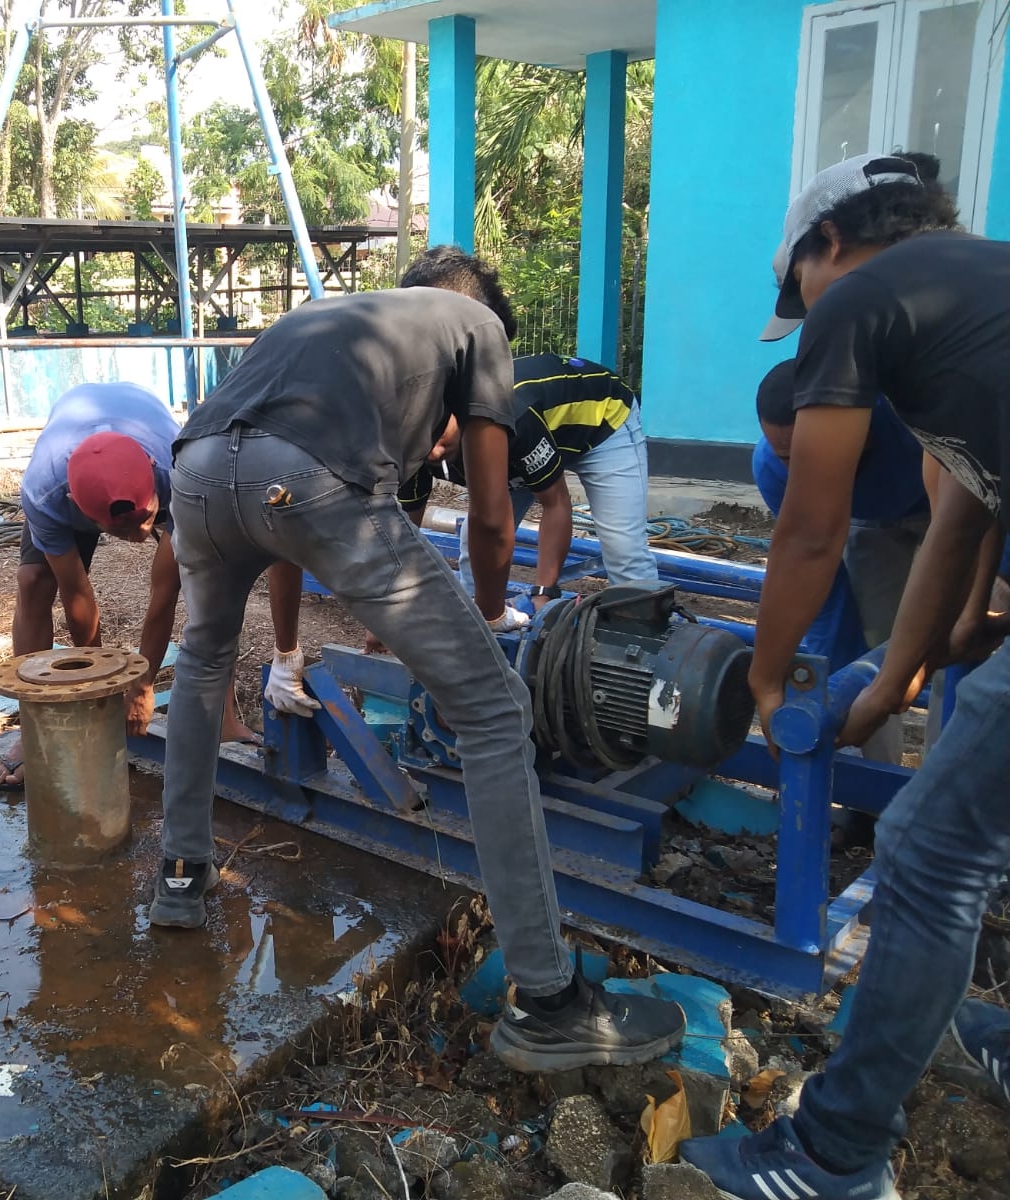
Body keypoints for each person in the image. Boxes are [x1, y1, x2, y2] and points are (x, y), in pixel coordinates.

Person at [150, 245, 687, 1073]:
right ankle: (549, 1004)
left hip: (194, 467)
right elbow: (493, 517)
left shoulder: (336, 320)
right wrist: (488, 622)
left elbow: (276, 495)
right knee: (497, 711)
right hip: (304, 477)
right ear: (484, 313)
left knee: (203, 658)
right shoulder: (479, 327)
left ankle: (181, 877)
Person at [680, 151, 1010, 1200]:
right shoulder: (982, 288)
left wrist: (768, 683)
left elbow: (812, 534)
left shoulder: (862, 299)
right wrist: (899, 672)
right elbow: (963, 517)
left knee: (929, 852)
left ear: (828, 244)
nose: (806, 312)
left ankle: (832, 1156)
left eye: (799, 287)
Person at [0, 382, 290, 791]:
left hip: (163, 472)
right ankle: (33, 728)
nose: (140, 534)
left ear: (149, 468)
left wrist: (142, 683)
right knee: (34, 580)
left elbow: (164, 596)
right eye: (121, 530)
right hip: (71, 472)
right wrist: (98, 688)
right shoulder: (46, 493)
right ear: (77, 506)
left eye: (146, 519)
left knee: (209, 581)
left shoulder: (180, 469)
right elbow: (77, 592)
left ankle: (223, 719)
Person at [752, 361, 930, 765]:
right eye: (787, 457)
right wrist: (831, 691)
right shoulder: (773, 470)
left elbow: (974, 517)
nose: (800, 471)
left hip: (953, 505)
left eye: (809, 454)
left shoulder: (913, 424)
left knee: (959, 638)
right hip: (870, 522)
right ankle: (871, 782)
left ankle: (946, 783)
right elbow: (821, 591)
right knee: (870, 648)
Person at [397, 352, 658, 604]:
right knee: (474, 538)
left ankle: (641, 623)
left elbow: (556, 503)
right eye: (423, 441)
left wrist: (543, 593)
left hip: (603, 423)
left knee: (623, 549)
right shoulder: (411, 450)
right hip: (524, 445)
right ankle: (476, 617)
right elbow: (406, 529)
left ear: (457, 412)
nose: (435, 452)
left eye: (440, 436)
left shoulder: (508, 416)